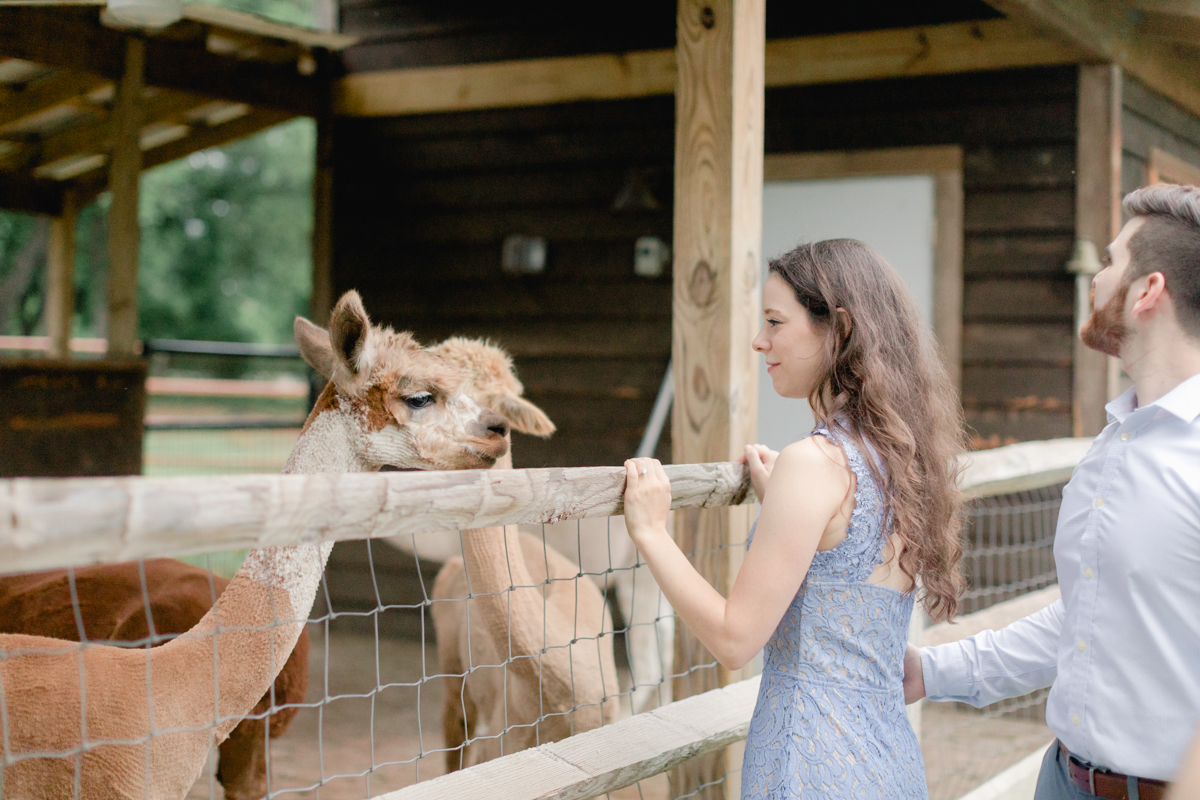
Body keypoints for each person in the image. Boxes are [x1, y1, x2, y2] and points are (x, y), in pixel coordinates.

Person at [622, 239, 966, 799]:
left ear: (840, 329)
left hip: (808, 766)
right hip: (889, 763)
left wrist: (651, 531)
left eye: (775, 322)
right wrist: (783, 498)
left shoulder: (815, 464)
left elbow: (735, 640)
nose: (761, 341)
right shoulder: (898, 459)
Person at [904, 183, 1200, 800]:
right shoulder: (1114, 443)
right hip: (1062, 780)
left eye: (1110, 262)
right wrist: (931, 670)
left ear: (1148, 292)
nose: (1094, 280)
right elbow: (1087, 619)